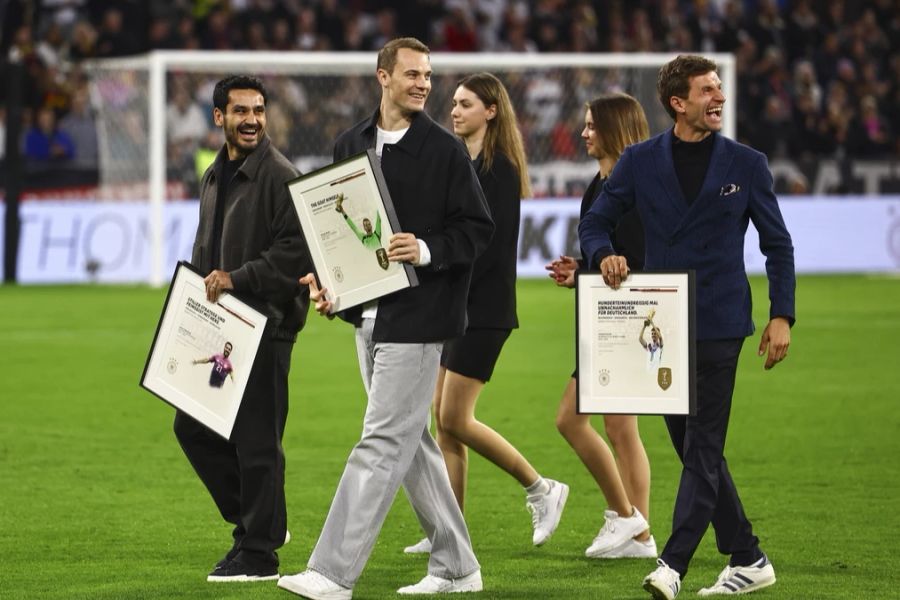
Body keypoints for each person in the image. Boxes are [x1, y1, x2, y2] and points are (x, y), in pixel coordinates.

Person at [277, 37, 493, 598]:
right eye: (413, 74)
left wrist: (424, 249)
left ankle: (331, 574)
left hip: (421, 318)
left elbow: (477, 229)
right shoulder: (349, 143)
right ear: (383, 77)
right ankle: (457, 566)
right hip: (368, 317)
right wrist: (331, 287)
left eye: (428, 75)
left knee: (378, 443)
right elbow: (339, 232)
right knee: (410, 442)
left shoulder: (445, 151)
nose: (424, 83)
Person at [578, 55, 795, 599]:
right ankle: (748, 556)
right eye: (706, 90)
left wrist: (781, 315)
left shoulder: (747, 164)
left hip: (722, 325)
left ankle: (672, 565)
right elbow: (594, 221)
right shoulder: (639, 161)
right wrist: (603, 253)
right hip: (662, 326)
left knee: (700, 448)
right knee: (696, 451)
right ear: (679, 103)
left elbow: (778, 245)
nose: (717, 96)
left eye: (718, 88)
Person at [403, 72, 567, 557]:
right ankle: (448, 531)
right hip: (459, 305)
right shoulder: (466, 163)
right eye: (453, 103)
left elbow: (486, 249)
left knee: (454, 417)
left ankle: (540, 487)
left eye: (466, 104)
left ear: (491, 111)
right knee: (442, 418)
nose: (454, 111)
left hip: (486, 308)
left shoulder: (498, 170)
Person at [173, 75, 311, 583]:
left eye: (258, 110)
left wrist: (237, 278)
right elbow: (208, 250)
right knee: (191, 426)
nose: (252, 119)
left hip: (266, 329)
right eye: (240, 111)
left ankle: (259, 554)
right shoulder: (214, 175)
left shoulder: (281, 176)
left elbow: (295, 256)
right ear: (219, 117)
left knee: (256, 443)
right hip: (220, 332)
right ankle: (261, 521)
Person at [545, 93, 655, 560]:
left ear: (615, 129)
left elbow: (640, 266)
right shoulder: (601, 183)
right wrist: (581, 272)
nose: (585, 132)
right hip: (604, 320)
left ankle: (628, 519)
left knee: (575, 420)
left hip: (627, 323)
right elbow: (609, 261)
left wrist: (593, 273)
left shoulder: (640, 189)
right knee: (620, 428)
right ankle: (638, 534)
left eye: (592, 125)